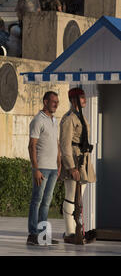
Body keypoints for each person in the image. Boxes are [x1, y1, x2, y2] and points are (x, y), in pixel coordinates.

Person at [60, 88, 97, 244]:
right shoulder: (69, 118)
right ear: (74, 100)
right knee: (70, 197)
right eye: (82, 97)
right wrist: (71, 167)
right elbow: (65, 144)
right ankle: (70, 232)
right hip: (75, 162)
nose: (85, 100)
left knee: (79, 199)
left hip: (83, 161)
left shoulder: (80, 117)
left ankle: (78, 230)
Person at [27, 91, 61, 245]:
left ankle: (42, 235)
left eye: (57, 102)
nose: (56, 104)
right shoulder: (37, 120)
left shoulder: (54, 121)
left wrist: (59, 163)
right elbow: (31, 146)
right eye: (53, 101)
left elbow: (57, 144)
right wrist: (36, 169)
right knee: (37, 201)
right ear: (45, 102)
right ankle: (33, 234)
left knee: (46, 202)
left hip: (53, 169)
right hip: (42, 168)